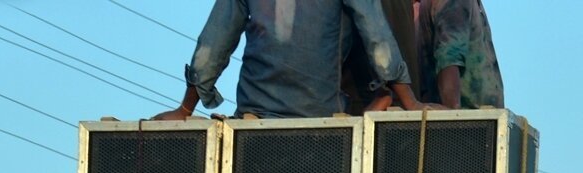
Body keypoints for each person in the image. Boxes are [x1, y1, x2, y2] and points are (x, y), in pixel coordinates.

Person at [154, 0, 426, 122]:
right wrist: (409, 101)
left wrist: (186, 109)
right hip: (320, 119)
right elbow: (377, 36)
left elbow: (213, 43)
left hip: (253, 118)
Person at [415, 0, 504, 109]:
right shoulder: (456, 2)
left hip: (480, 119)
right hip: (467, 119)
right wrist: (454, 116)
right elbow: (448, 60)